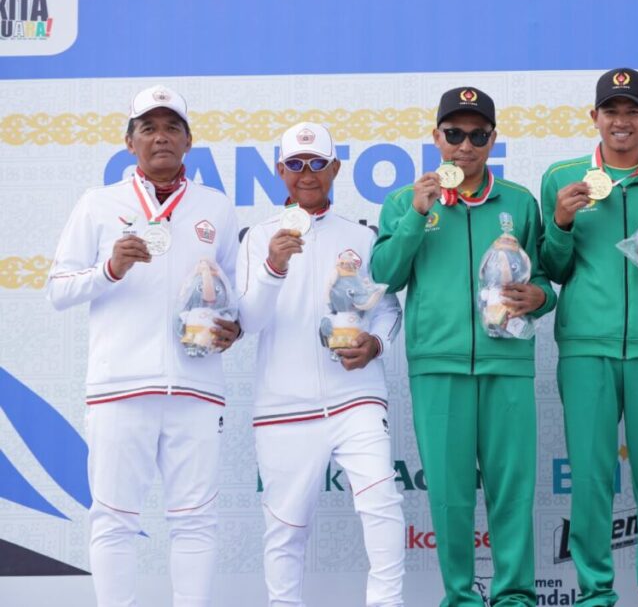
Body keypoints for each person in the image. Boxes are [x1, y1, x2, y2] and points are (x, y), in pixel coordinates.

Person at [45, 85, 241, 606]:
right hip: (120, 388)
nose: (161, 137)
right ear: (129, 141)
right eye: (148, 128)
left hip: (196, 388)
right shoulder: (98, 204)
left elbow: (234, 294)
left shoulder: (216, 208)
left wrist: (234, 326)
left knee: (195, 519)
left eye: (172, 127)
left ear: (189, 141)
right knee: (114, 519)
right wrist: (110, 268)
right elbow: (58, 289)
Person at [371, 87, 556, 607]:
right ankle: (459, 597)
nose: (465, 146)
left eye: (477, 135)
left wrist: (541, 297)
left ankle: (515, 596)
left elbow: (544, 278)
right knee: (450, 495)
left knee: (512, 490)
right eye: (454, 134)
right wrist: (417, 213)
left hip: (508, 363)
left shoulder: (518, 201)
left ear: (493, 140)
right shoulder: (405, 201)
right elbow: (384, 276)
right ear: (436, 137)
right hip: (438, 364)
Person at [539, 68, 638, 606]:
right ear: (595, 117)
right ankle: (594, 593)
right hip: (586, 346)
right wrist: (560, 221)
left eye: (632, 111)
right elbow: (553, 268)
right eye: (611, 111)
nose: (621, 121)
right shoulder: (562, 177)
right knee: (589, 478)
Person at [237, 121, 405, 606]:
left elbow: (388, 309)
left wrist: (375, 344)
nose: (306, 173)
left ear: (335, 167)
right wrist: (273, 267)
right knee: (285, 528)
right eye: (295, 163)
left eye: (317, 163)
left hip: (356, 398)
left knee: (381, 502)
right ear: (279, 170)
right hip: (284, 406)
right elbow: (248, 320)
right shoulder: (259, 237)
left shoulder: (362, 236)